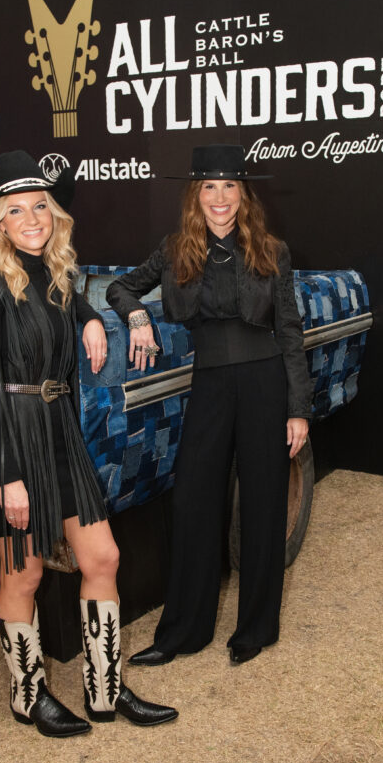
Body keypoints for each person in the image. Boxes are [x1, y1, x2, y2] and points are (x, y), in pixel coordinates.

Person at [0, 150, 177, 736]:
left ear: (54, 214)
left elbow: (66, 302)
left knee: (102, 558)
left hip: (60, 432)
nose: (32, 218)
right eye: (17, 210)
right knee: (22, 577)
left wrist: (86, 316)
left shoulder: (57, 274)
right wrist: (6, 476)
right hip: (13, 441)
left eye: (41, 207)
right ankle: (27, 695)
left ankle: (104, 691)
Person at [106, 143, 313, 666]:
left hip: (266, 381)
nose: (219, 197)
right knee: (194, 501)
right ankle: (182, 632)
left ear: (244, 194)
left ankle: (256, 629)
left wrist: (298, 408)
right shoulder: (177, 248)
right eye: (209, 187)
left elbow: (288, 329)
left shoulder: (271, 249)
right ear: (195, 195)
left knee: (265, 503)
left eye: (229, 186)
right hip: (211, 383)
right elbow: (119, 287)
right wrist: (137, 317)